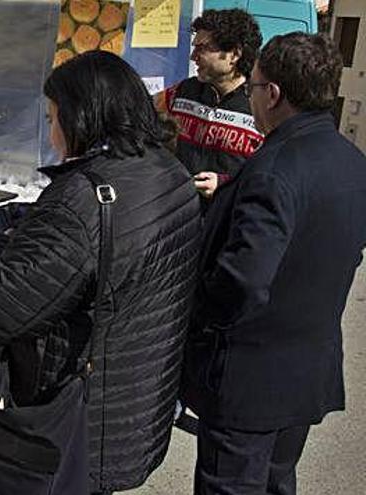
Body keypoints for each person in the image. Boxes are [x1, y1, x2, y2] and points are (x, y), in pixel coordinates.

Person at [0, 51, 201, 494]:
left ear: (84, 118)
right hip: (138, 402)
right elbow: (119, 238)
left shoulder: (82, 200)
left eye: (53, 118)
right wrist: (37, 219)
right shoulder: (170, 170)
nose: (51, 135)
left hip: (78, 422)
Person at [182, 32, 366, 495]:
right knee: (276, 482)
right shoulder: (351, 161)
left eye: (255, 88)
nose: (252, 98)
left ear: (275, 94)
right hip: (304, 371)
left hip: (249, 382)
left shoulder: (274, 167)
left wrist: (200, 322)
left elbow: (242, 282)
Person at [155, 9, 263, 200]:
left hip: (227, 220)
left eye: (202, 48)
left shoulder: (261, 106)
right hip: (179, 213)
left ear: (234, 54)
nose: (193, 56)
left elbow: (269, 178)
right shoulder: (182, 92)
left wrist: (225, 185)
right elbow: (143, 113)